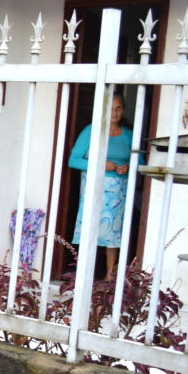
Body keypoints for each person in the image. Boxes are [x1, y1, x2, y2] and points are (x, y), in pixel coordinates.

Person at [68, 94, 140, 278]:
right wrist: (99, 164)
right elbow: (74, 160)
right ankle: (85, 271)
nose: (114, 112)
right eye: (110, 108)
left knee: (114, 231)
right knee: (90, 227)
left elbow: (141, 162)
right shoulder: (91, 131)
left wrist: (129, 167)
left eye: (118, 108)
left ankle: (109, 273)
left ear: (123, 111)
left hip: (119, 191)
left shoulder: (129, 135)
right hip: (95, 187)